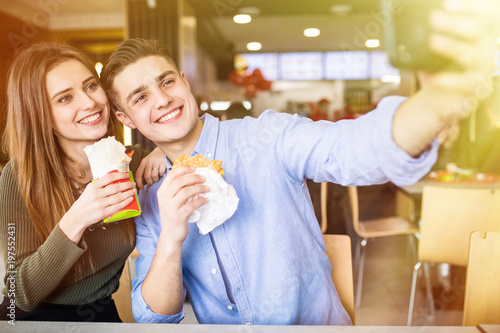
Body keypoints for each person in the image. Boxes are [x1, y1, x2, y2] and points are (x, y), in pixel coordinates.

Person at [100, 1, 497, 325]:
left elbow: (357, 148)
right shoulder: (150, 195)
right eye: (140, 97)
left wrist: (441, 96)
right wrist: (171, 234)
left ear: (185, 82)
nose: (162, 99)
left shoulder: (269, 137)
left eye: (167, 82)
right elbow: (153, 318)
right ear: (125, 119)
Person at [0, 42, 165, 322]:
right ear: (40, 115)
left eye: (90, 86)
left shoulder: (131, 162)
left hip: (101, 314)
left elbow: (197, 152)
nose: (89, 102)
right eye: (65, 98)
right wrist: (76, 218)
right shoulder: (19, 177)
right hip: (31, 323)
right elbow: (19, 294)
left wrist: (166, 148)